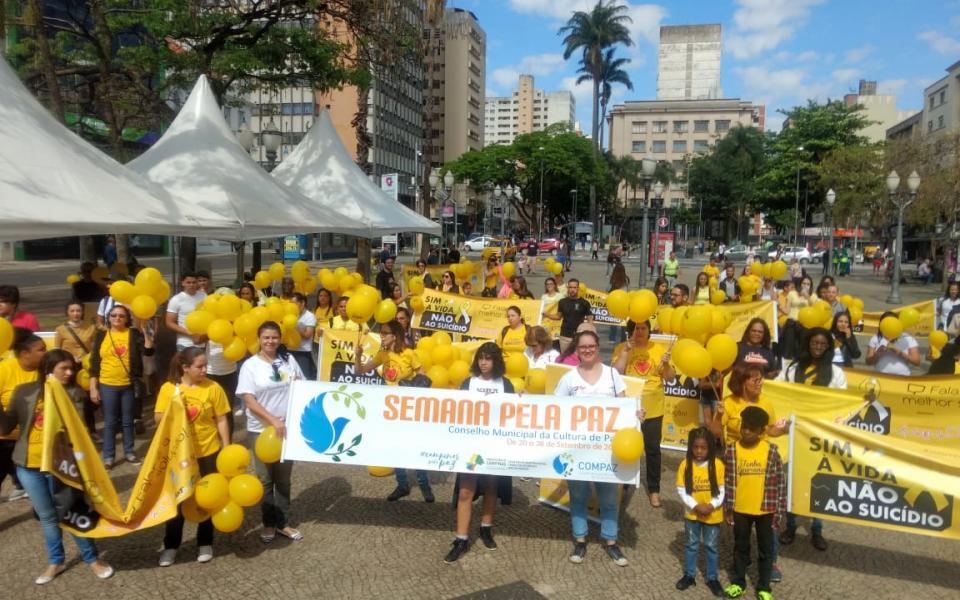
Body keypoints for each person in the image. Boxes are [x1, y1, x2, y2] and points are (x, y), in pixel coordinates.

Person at [0, 349, 115, 583]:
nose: (70, 372)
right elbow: (5, 427)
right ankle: (55, 561)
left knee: (72, 510)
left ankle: (92, 558)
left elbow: (80, 432)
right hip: (29, 465)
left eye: (71, 367)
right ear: (48, 369)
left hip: (62, 465)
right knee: (48, 516)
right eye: (64, 368)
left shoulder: (74, 394)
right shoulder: (25, 392)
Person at [555, 330, 631, 566]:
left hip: (607, 450)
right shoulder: (568, 378)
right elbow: (553, 409)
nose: (587, 350)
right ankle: (580, 540)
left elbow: (625, 405)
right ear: (576, 350)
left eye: (591, 346)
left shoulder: (612, 375)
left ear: (598, 348)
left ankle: (611, 541)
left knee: (609, 498)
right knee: (578, 496)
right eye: (582, 347)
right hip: (576, 449)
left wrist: (637, 413)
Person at [155, 348, 231, 566]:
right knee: (178, 500)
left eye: (206, 365)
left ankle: (205, 542)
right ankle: (171, 546)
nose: (205, 370)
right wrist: (175, 406)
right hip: (179, 455)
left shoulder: (213, 388)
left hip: (208, 451)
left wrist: (225, 447)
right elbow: (159, 419)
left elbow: (222, 419)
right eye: (200, 366)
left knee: (207, 498)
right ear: (185, 368)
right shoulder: (168, 389)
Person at [443, 342, 515, 563]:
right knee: (466, 491)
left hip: (495, 445)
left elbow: (514, 413)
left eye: (489, 358)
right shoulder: (469, 383)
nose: (484, 362)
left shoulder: (505, 384)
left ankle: (485, 528)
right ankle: (461, 539)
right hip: (472, 447)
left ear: (496, 361)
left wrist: (523, 399)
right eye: (481, 358)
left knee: (492, 487)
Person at [776, 328, 846, 553]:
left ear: (828, 347)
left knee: (819, 482)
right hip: (795, 434)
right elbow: (777, 389)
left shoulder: (835, 373)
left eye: (822, 344)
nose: (817, 347)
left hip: (819, 437)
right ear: (808, 344)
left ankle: (817, 527)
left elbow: (842, 402)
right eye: (814, 343)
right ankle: (791, 524)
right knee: (792, 481)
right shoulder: (793, 368)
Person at [237, 321, 305, 543]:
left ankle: (283, 522)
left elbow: (303, 387)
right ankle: (268, 523)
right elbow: (249, 401)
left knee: (283, 480)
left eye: (274, 337)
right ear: (259, 339)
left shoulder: (288, 360)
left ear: (280, 339)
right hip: (260, 430)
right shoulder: (250, 366)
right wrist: (273, 420)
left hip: (287, 429)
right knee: (265, 479)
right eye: (266, 337)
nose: (270, 341)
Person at [722, 406, 786, 600]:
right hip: (740, 509)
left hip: (766, 510)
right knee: (740, 547)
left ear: (761, 431)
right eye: (744, 426)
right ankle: (738, 582)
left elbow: (780, 484)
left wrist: (779, 512)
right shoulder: (732, 450)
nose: (746, 431)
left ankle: (764, 587)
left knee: (766, 550)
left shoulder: (772, 451)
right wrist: (728, 509)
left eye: (751, 428)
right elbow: (728, 481)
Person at [612, 320, 674, 508]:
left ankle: (654, 489)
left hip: (653, 406)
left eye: (643, 328)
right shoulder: (622, 347)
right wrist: (625, 353)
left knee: (653, 449)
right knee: (625, 446)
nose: (639, 332)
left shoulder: (659, 348)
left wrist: (666, 365)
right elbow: (615, 373)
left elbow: (670, 377)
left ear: (649, 331)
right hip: (629, 406)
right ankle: (622, 487)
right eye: (636, 328)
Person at [88, 305, 149, 467]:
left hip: (128, 384)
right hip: (107, 384)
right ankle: (109, 456)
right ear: (108, 317)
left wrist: (146, 333)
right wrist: (93, 387)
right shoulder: (102, 335)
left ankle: (129, 452)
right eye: (114, 315)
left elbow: (149, 351)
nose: (117, 318)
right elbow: (94, 363)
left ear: (127, 318)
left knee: (128, 421)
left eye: (121, 316)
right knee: (110, 422)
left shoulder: (133, 334)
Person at [674, 428, 725, 596]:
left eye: (703, 448)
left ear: (710, 447)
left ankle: (712, 577)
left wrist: (711, 505)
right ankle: (689, 575)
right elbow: (682, 490)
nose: (699, 451)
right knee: (691, 545)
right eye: (695, 447)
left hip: (713, 514)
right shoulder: (685, 464)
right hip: (692, 514)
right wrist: (696, 506)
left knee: (711, 546)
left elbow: (723, 490)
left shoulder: (717, 465)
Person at [0, 328, 46, 502]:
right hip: (4, 440)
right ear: (25, 354)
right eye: (41, 350)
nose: (45, 353)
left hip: (34, 442)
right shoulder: (4, 370)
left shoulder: (46, 372)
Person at [707, 363, 788, 449]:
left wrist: (785, 429)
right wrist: (719, 416)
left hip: (761, 454)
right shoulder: (728, 402)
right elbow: (714, 433)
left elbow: (770, 430)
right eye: (756, 381)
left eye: (761, 380)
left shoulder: (766, 401)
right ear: (742, 383)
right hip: (736, 455)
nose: (760, 383)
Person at [54, 301, 98, 435]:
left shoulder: (91, 327)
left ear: (82, 312)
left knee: (88, 400)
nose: (76, 314)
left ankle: (91, 431)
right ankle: (70, 430)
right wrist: (71, 358)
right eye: (72, 311)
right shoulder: (60, 329)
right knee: (70, 398)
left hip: (85, 368)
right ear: (67, 312)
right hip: (69, 368)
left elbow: (94, 348)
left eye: (78, 311)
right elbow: (57, 350)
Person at [543, 279, 592, 352]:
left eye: (574, 287)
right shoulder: (562, 302)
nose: (572, 290)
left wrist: (590, 333)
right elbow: (558, 316)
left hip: (579, 336)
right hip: (565, 335)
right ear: (568, 288)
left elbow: (590, 319)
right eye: (570, 287)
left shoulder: (584, 303)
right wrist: (547, 314)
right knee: (565, 358)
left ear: (578, 288)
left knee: (578, 359)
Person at [866, 311, 921, 375]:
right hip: (880, 376)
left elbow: (917, 362)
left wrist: (900, 353)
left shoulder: (908, 338)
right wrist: (877, 354)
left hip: (902, 377)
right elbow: (868, 362)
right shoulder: (875, 338)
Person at [166, 272, 208, 351]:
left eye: (194, 282)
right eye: (188, 282)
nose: (191, 285)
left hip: (203, 343)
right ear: (183, 283)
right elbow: (169, 323)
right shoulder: (176, 299)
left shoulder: (204, 296)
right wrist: (189, 332)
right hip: (185, 344)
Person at [780, 276, 812, 361]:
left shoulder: (812, 296)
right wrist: (778, 304)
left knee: (802, 350)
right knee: (788, 349)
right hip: (792, 323)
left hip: (804, 325)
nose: (805, 286)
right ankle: (785, 368)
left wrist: (807, 297)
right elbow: (787, 311)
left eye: (808, 284)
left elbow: (814, 309)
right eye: (804, 283)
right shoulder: (792, 293)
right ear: (800, 284)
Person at [289, 293, 317, 380]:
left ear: (302, 303)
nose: (292, 307)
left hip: (302, 352)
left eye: (294, 304)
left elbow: (308, 335)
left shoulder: (310, 316)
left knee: (303, 377)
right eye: (290, 304)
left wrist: (294, 326)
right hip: (288, 350)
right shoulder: (289, 315)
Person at [608, 262, 630, 342]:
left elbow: (608, 289)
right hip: (623, 302)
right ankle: (623, 338)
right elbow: (627, 291)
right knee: (623, 322)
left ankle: (612, 338)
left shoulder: (613, 279)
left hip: (614, 302)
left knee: (613, 321)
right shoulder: (626, 279)